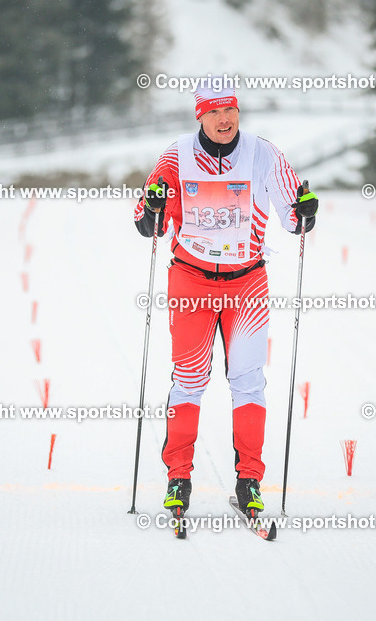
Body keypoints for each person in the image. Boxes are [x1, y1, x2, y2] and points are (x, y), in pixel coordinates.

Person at [132, 80, 318, 518]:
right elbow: (147, 225)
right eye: (214, 112)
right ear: (199, 115)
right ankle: (179, 477)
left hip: (247, 282)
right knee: (189, 379)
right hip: (191, 281)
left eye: (230, 110)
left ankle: (249, 481)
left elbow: (295, 217)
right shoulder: (175, 156)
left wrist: (307, 210)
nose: (224, 120)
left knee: (249, 380)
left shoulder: (262, 153)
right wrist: (154, 205)